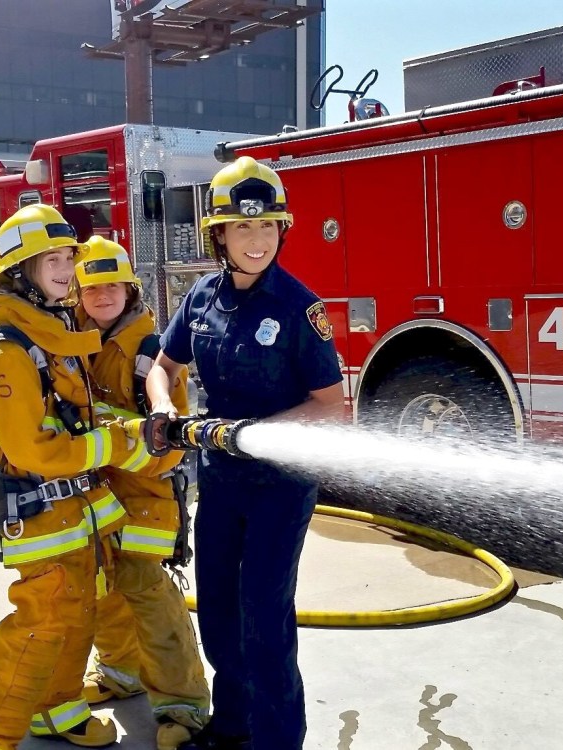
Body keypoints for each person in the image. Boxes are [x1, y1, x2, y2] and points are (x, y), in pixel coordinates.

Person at [145, 156, 344, 750]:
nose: (257, 241)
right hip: (221, 484)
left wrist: (248, 431)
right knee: (220, 620)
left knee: (264, 622)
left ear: (282, 232)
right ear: (220, 236)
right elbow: (164, 365)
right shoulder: (202, 297)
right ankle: (231, 729)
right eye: (243, 228)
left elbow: (330, 405)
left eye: (267, 228)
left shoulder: (299, 308)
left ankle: (279, 741)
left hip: (280, 489)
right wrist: (163, 408)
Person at [0, 204, 151, 749]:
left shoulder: (51, 337)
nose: (68, 270)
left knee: (77, 616)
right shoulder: (10, 353)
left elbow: (73, 419)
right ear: (21, 272)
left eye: (69, 257)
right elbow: (30, 449)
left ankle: (57, 713)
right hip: (39, 514)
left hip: (71, 512)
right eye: (53, 260)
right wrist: (111, 443)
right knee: (38, 628)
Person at [75, 235, 210, 750]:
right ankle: (119, 672)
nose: (103, 295)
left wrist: (100, 432)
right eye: (92, 287)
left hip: (144, 493)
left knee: (152, 597)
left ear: (129, 290)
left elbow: (169, 444)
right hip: (94, 490)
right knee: (102, 585)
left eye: (113, 286)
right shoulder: (74, 340)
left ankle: (184, 705)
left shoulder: (149, 349)